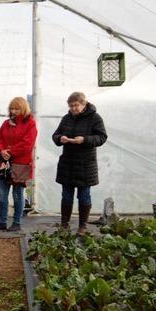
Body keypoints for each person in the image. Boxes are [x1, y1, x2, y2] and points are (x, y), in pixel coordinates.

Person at [52, 91, 107, 234]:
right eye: (70, 106)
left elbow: (102, 137)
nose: (73, 109)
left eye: (76, 105)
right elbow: (55, 135)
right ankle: (64, 224)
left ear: (84, 103)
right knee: (66, 195)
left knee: (84, 196)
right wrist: (60, 138)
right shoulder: (66, 119)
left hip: (85, 165)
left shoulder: (95, 118)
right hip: (68, 164)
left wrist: (84, 140)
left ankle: (82, 226)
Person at [0, 97, 38, 232]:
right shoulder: (6, 124)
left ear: (23, 109)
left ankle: (17, 222)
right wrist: (1, 150)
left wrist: (9, 151)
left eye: (16, 109)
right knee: (1, 193)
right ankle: (1, 221)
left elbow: (27, 144)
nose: (13, 111)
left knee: (17, 194)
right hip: (5, 164)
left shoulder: (30, 124)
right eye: (11, 108)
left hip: (21, 164)